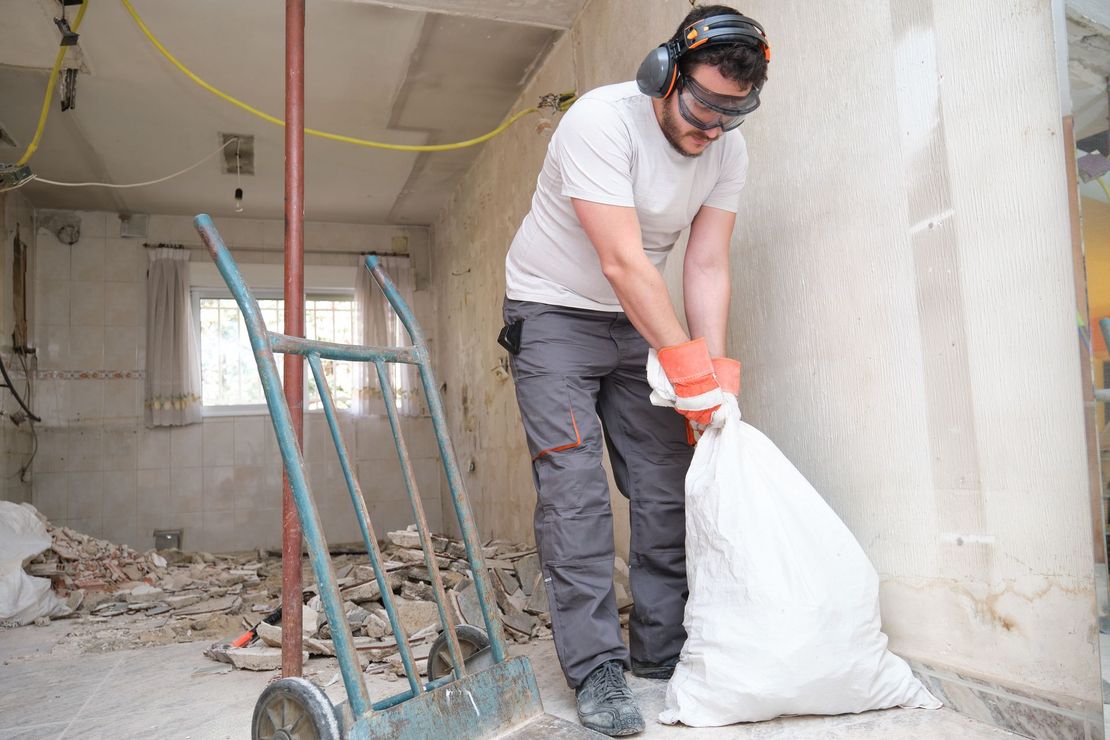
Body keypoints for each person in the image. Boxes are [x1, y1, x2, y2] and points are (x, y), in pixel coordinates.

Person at [499, 5, 769, 736]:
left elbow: (707, 263)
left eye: (731, 114)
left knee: (667, 482)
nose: (712, 128)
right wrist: (685, 369)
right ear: (664, 74)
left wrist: (713, 375)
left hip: (635, 320)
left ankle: (661, 652)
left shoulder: (726, 152)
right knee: (575, 488)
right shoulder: (599, 122)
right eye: (703, 105)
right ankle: (598, 673)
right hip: (553, 312)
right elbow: (622, 259)